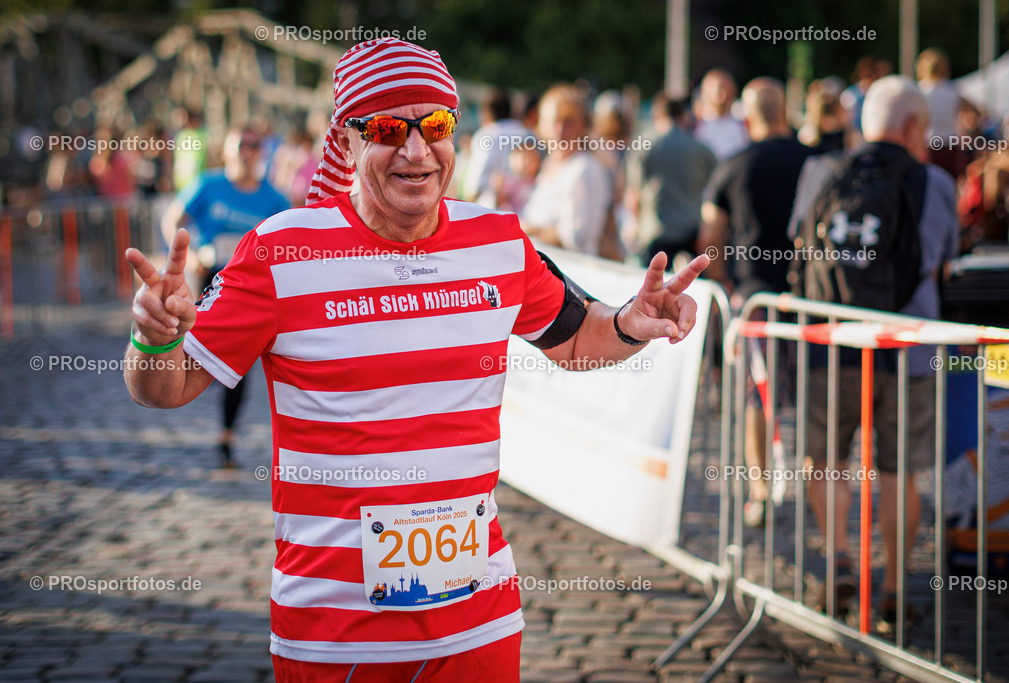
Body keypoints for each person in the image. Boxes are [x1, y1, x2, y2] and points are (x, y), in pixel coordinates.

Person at [123, 37, 709, 681]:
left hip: (479, 625)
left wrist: (630, 322)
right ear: (346, 142)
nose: (414, 150)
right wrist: (156, 338)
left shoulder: (498, 241)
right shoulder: (281, 252)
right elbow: (165, 389)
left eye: (434, 126)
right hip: (335, 633)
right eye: (386, 128)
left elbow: (574, 338)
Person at [788, 75, 959, 630]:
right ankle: (890, 587)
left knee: (827, 459)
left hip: (829, 342)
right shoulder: (934, 182)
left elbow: (799, 243)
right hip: (906, 347)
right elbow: (941, 260)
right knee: (899, 470)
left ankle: (838, 560)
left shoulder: (820, 170)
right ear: (912, 126)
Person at [698, 78, 814, 528]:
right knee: (811, 392)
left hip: (754, 299)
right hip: (808, 298)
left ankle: (760, 490)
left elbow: (711, 239)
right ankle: (816, 478)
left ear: (747, 117)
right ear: (785, 111)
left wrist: (726, 284)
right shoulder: (812, 162)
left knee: (758, 395)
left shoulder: (731, 165)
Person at [159, 127, 290, 467]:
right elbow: (172, 218)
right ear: (228, 151)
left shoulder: (274, 199)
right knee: (201, 358)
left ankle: (226, 440)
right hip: (209, 280)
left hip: (248, 292)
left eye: (254, 145)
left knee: (238, 367)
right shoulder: (208, 185)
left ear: (262, 152)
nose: (247, 151)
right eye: (241, 145)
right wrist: (189, 255)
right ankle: (196, 382)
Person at [521, 84, 613, 256]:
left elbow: (574, 237)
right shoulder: (553, 165)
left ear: (583, 125)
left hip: (569, 273)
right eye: (554, 121)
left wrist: (527, 230)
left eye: (568, 122)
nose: (560, 130)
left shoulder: (583, 168)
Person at [627, 93, 716, 266]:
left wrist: (636, 228)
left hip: (654, 231)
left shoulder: (643, 145)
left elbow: (633, 194)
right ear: (684, 116)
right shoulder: (701, 148)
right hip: (692, 231)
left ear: (656, 115)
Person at [460, 89, 531, 204]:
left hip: (490, 203)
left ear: (486, 112)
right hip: (525, 202)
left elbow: (476, 177)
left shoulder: (487, 134)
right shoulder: (526, 132)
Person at [917, 47, 968, 179]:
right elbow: (973, 110)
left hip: (928, 143)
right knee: (951, 185)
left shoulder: (920, 91)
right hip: (950, 143)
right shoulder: (953, 89)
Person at [693, 69, 749, 161]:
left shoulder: (743, 126)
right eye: (715, 87)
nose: (719, 92)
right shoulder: (694, 126)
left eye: (724, 87)